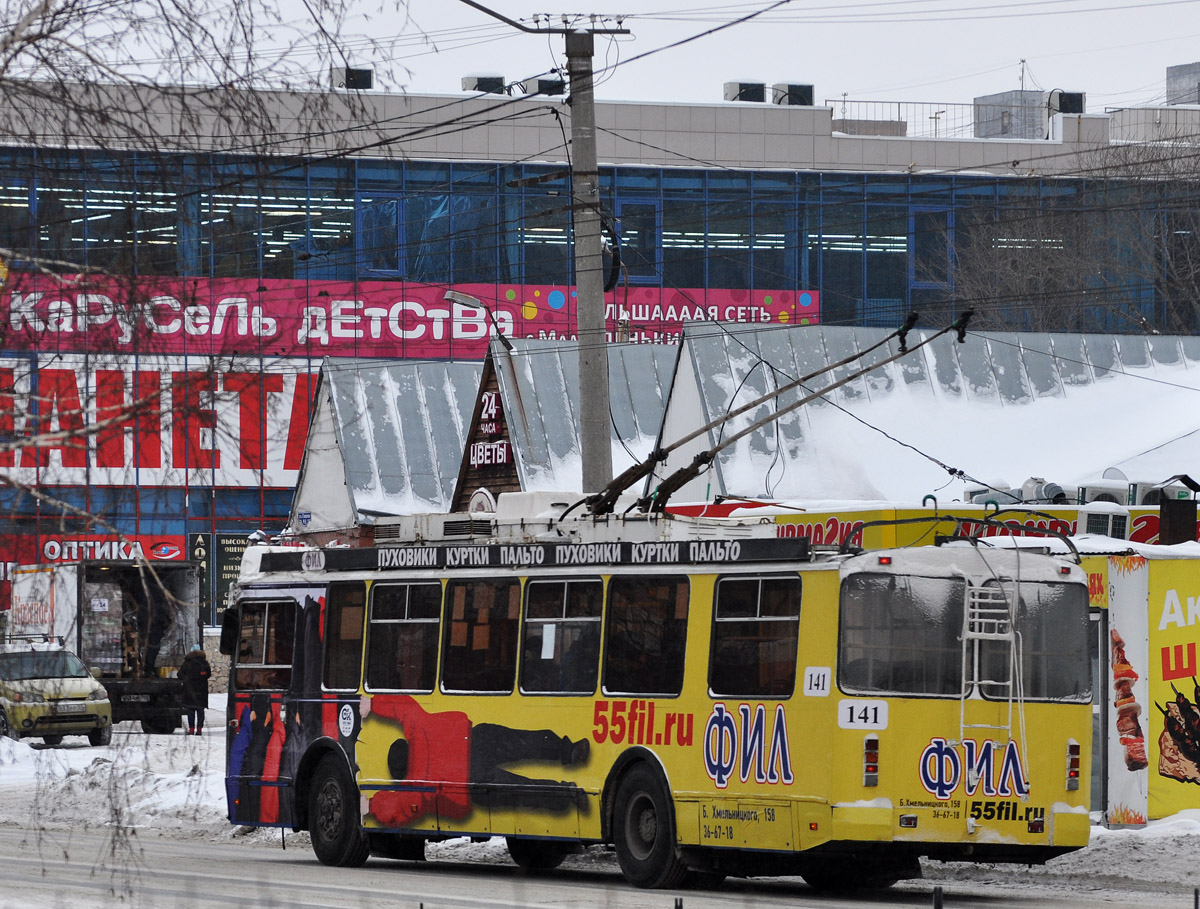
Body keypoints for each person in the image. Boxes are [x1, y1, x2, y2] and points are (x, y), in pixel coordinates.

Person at [178, 644, 212, 735]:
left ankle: (191, 729)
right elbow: (208, 674)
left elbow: (179, 674)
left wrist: (186, 679)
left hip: (189, 690)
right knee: (200, 711)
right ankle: (199, 729)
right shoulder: (204, 663)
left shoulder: (187, 662)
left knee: (190, 711)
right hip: (202, 691)